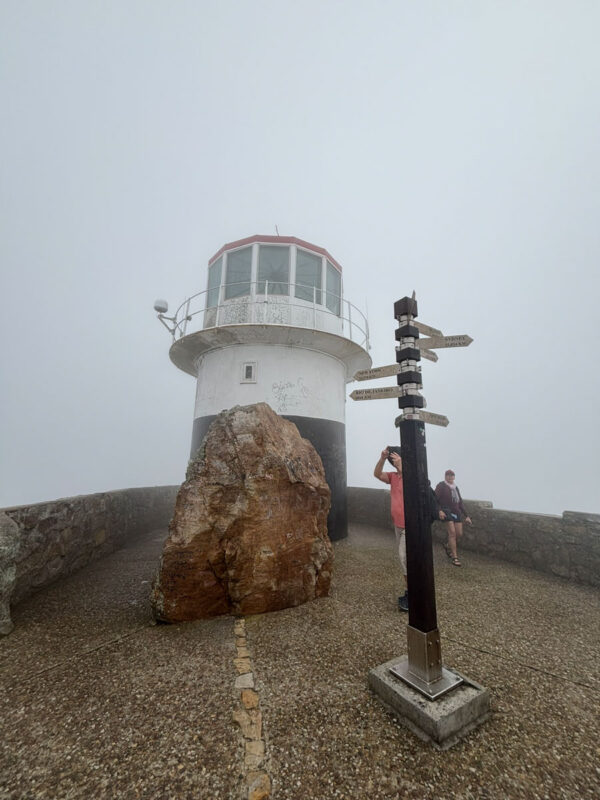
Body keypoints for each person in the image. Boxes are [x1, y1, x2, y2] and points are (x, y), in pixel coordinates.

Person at [374, 447, 408, 611]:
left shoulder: (412, 476)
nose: (394, 462)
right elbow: (377, 474)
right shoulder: (393, 477)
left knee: (404, 558)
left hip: (410, 526)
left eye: (396, 459)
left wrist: (403, 468)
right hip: (398, 525)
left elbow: (416, 489)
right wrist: (382, 459)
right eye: (392, 460)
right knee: (404, 561)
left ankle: (412, 594)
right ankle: (410, 592)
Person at [435, 469, 472, 566]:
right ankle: (455, 557)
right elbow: (435, 499)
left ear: (454, 477)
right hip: (446, 512)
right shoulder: (441, 486)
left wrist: (467, 515)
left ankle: (448, 546)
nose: (450, 477)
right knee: (452, 533)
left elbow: (460, 503)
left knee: (459, 534)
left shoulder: (456, 488)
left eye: (452, 475)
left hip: (457, 513)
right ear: (445, 476)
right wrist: (439, 510)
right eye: (448, 475)